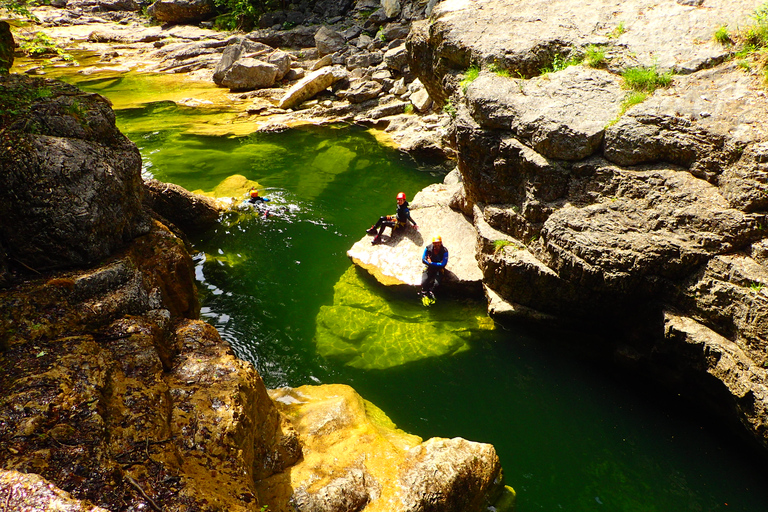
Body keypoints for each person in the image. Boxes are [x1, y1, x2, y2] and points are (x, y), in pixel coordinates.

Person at [420, 235, 448, 306]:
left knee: (437, 284)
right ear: (433, 243)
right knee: (424, 282)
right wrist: (437, 263)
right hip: (429, 268)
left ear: (441, 242)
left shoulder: (444, 251)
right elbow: (423, 259)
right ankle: (424, 294)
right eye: (435, 243)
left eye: (438, 243)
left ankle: (431, 292)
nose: (437, 244)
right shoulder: (428, 248)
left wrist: (431, 263)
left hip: (438, 269)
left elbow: (443, 264)